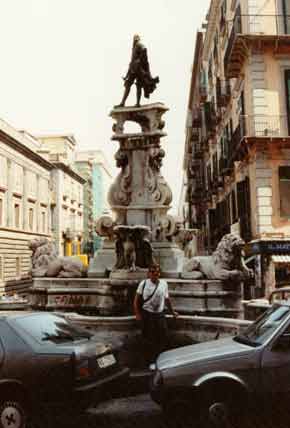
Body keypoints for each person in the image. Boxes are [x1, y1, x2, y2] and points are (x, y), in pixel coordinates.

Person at [133, 264, 178, 361]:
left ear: (159, 273)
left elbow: (167, 299)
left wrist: (172, 312)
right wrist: (137, 314)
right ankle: (149, 360)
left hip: (159, 314)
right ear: (149, 273)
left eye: (157, 272)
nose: (155, 274)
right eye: (153, 272)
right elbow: (136, 300)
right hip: (147, 314)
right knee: (148, 338)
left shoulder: (163, 284)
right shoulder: (143, 283)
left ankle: (162, 359)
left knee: (163, 337)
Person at [117, 34, 159, 107]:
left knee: (137, 85)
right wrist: (127, 75)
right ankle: (123, 102)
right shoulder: (134, 48)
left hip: (138, 69)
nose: (135, 40)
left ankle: (137, 103)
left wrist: (139, 60)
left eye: (136, 38)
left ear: (138, 39)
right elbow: (131, 62)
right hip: (133, 69)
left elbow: (144, 49)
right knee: (128, 85)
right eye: (134, 38)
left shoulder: (139, 44)